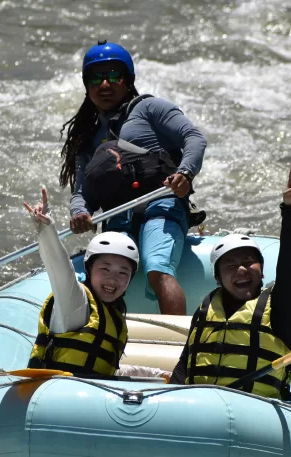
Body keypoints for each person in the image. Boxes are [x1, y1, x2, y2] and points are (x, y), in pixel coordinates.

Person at [59, 40, 207, 316]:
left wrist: (185, 172)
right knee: (100, 275)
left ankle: (176, 348)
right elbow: (82, 192)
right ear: (86, 85)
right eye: (95, 78)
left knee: (157, 266)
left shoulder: (150, 108)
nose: (105, 84)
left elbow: (194, 138)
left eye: (114, 75)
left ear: (128, 80)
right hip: (118, 217)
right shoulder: (86, 137)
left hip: (161, 205)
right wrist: (80, 212)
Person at [169, 163, 291, 400]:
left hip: (255, 413)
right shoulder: (205, 310)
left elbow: (289, 265)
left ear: (262, 271)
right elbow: (185, 365)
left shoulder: (280, 310)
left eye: (249, 262)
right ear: (218, 277)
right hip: (198, 411)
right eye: (231, 265)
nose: (242, 269)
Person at [23, 188, 170, 380]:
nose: (113, 278)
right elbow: (60, 269)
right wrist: (47, 229)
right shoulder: (75, 302)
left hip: (93, 400)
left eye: (122, 272)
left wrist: (158, 374)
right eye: (105, 269)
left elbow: (108, 371)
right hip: (56, 396)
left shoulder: (114, 317)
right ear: (89, 270)